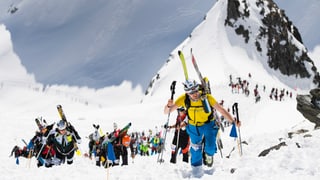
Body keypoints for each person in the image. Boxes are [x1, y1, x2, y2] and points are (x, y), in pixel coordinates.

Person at [164, 79, 241, 176]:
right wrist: (168, 105)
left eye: (196, 90)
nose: (195, 94)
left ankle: (209, 155)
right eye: (191, 92)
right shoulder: (184, 99)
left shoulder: (207, 98)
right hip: (194, 126)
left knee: (210, 148)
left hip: (208, 124)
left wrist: (233, 121)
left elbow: (221, 110)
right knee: (195, 149)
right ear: (187, 93)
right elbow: (166, 112)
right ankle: (196, 172)